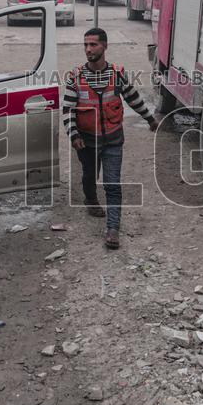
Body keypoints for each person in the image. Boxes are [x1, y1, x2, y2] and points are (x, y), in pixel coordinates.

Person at [63, 28, 157, 249]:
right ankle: (90, 199)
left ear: (105, 46)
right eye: (86, 45)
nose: (88, 49)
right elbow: (67, 110)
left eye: (93, 44)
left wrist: (150, 119)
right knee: (89, 175)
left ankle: (113, 229)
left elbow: (133, 98)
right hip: (86, 142)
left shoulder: (117, 74)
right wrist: (73, 135)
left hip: (113, 139)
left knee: (112, 184)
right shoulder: (75, 77)